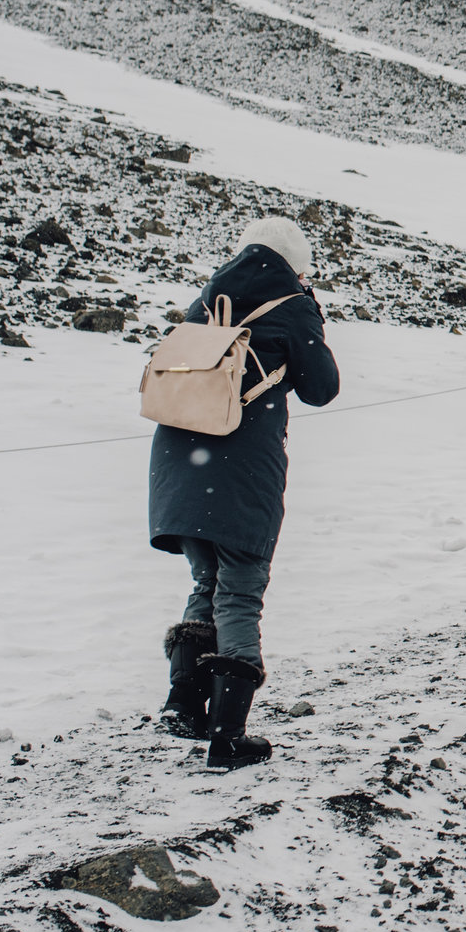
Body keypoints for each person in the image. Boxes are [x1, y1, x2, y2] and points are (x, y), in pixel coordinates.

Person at [149, 216, 341, 770]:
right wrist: (310, 314)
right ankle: (227, 735)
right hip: (239, 464)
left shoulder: (208, 298)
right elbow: (322, 389)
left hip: (180, 459)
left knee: (206, 579)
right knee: (239, 590)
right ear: (295, 259)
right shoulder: (290, 300)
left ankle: (183, 704)